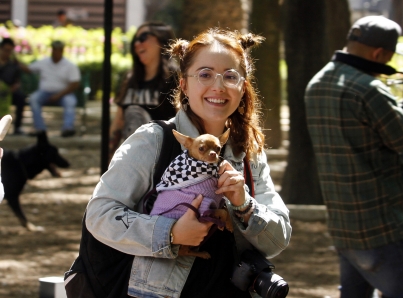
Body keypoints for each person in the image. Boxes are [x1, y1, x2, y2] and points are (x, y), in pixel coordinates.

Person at [71, 28, 292, 297]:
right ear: (184, 84)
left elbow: (278, 240)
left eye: (230, 76)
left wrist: (244, 205)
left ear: (243, 86)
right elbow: (99, 214)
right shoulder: (153, 141)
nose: (218, 86)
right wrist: (171, 232)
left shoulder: (248, 153)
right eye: (205, 74)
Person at [305, 15, 403, 297]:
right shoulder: (369, 91)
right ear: (379, 54)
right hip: (383, 227)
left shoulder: (318, 83)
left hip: (344, 227)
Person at [109, 21, 177, 160]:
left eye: (143, 37)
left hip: (162, 161)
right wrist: (110, 156)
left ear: (162, 40)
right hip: (129, 159)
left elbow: (183, 122)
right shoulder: (130, 78)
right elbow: (119, 121)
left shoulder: (175, 78)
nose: (136, 43)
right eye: (135, 40)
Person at [20, 40, 81, 137]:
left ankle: (68, 128)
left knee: (70, 101)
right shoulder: (44, 62)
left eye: (58, 50)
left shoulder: (70, 65)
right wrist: (16, 61)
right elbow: (29, 69)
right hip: (44, 93)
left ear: (62, 51)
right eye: (54, 49)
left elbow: (75, 84)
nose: (55, 52)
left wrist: (59, 95)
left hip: (64, 94)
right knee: (34, 98)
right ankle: (40, 129)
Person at [0, 38, 26, 135]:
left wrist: (14, 87)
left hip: (8, 92)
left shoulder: (13, 65)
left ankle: (17, 127)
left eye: (10, 51)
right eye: (6, 50)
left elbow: (17, 81)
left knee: (20, 98)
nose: (7, 53)